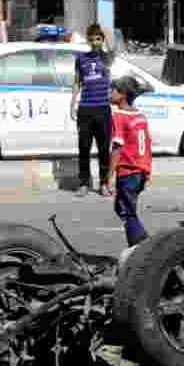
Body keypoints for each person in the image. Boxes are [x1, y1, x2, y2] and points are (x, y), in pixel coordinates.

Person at [107, 76, 151, 247]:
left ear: (123, 95)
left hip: (128, 171)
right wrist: (147, 173)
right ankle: (140, 244)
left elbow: (117, 147)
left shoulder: (119, 115)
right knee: (121, 208)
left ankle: (142, 249)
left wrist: (108, 175)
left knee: (128, 212)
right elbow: (147, 145)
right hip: (140, 171)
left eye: (113, 90)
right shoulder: (140, 115)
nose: (109, 93)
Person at [71, 24, 113, 197]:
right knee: (84, 148)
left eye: (98, 38)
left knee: (104, 149)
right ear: (87, 40)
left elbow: (111, 45)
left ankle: (104, 183)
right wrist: (73, 101)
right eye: (91, 39)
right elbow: (76, 82)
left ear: (102, 40)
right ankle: (84, 182)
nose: (95, 42)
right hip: (86, 109)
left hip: (103, 108)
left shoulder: (108, 58)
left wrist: (103, 31)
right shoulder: (81, 59)